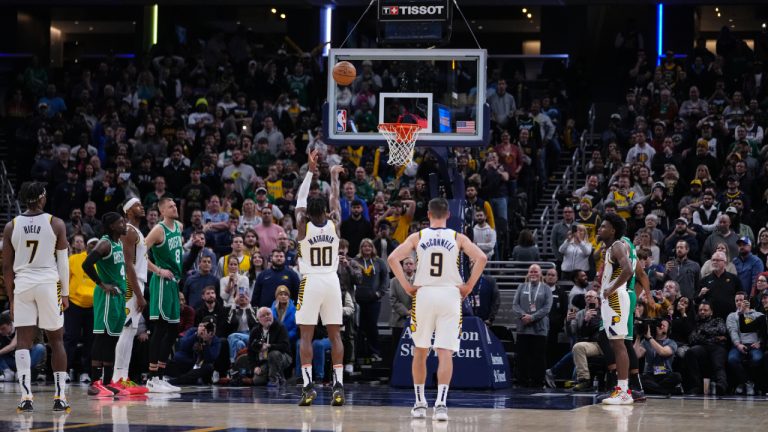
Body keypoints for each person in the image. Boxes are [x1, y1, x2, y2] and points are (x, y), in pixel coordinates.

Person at [387, 197, 488, 421]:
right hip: (450, 295)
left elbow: (393, 258)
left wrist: (407, 286)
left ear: (429, 215)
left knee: (420, 350)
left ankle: (420, 403)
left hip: (424, 294)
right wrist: (468, 287)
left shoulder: (418, 236)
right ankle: (441, 405)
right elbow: (481, 257)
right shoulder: (457, 237)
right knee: (445, 352)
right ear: (448, 215)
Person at [2, 182, 71, 412]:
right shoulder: (56, 223)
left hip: (23, 284)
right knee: (56, 340)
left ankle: (26, 397)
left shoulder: (11, 226)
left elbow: (6, 268)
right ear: (42, 198)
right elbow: (63, 262)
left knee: (23, 342)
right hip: (48, 283)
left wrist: (11, 299)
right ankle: (60, 397)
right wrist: (66, 294)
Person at [294, 150, 346, 406]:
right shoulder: (334, 221)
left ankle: (307, 387)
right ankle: (338, 386)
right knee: (335, 335)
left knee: (306, 336)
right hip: (332, 281)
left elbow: (300, 198)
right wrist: (333, 177)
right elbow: (335, 198)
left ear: (307, 213)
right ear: (325, 211)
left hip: (311, 280)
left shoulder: (302, 223)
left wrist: (310, 170)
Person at [80, 212, 130, 397]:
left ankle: (108, 383)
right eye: (121, 222)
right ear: (111, 226)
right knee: (102, 338)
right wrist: (102, 284)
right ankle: (95, 382)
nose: (124, 224)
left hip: (118, 297)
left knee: (112, 340)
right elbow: (86, 264)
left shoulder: (118, 243)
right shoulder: (105, 243)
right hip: (107, 297)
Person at [144, 197, 184, 393]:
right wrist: (158, 270)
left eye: (175, 205)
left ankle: (160, 375)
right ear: (162, 211)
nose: (174, 207)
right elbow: (140, 252)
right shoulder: (158, 230)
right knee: (159, 329)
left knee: (173, 329)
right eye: (170, 206)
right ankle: (152, 378)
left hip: (174, 283)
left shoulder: (179, 226)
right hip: (161, 282)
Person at [596, 213, 636, 404]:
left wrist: (610, 289)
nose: (599, 229)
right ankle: (622, 390)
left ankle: (624, 392)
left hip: (616, 299)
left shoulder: (618, 245)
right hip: (611, 300)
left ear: (613, 230)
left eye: (603, 226)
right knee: (615, 343)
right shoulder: (610, 248)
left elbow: (629, 270)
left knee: (619, 344)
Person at [112, 198, 149, 394]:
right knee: (126, 331)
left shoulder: (137, 231)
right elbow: (128, 266)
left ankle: (123, 377)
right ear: (127, 211)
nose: (141, 207)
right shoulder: (128, 230)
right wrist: (138, 294)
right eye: (137, 205)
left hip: (137, 283)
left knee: (130, 331)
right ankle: (118, 377)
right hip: (130, 284)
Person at [511, 264, 553, 387]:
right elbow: (515, 305)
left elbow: (547, 307)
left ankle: (538, 381)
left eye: (536, 272)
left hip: (539, 329)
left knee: (538, 357)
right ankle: (521, 381)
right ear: (528, 274)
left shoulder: (546, 289)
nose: (533, 274)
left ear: (540, 274)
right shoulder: (521, 286)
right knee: (521, 356)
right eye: (531, 272)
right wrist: (524, 315)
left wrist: (532, 317)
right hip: (523, 328)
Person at [633, 318, 682, 395]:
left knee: (677, 376)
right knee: (639, 378)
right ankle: (668, 391)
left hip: (666, 374)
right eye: (659, 325)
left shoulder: (671, 342)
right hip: (650, 375)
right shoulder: (646, 342)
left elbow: (663, 352)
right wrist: (638, 337)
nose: (660, 327)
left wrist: (649, 338)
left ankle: (654, 389)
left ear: (668, 329)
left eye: (664, 326)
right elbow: (636, 355)